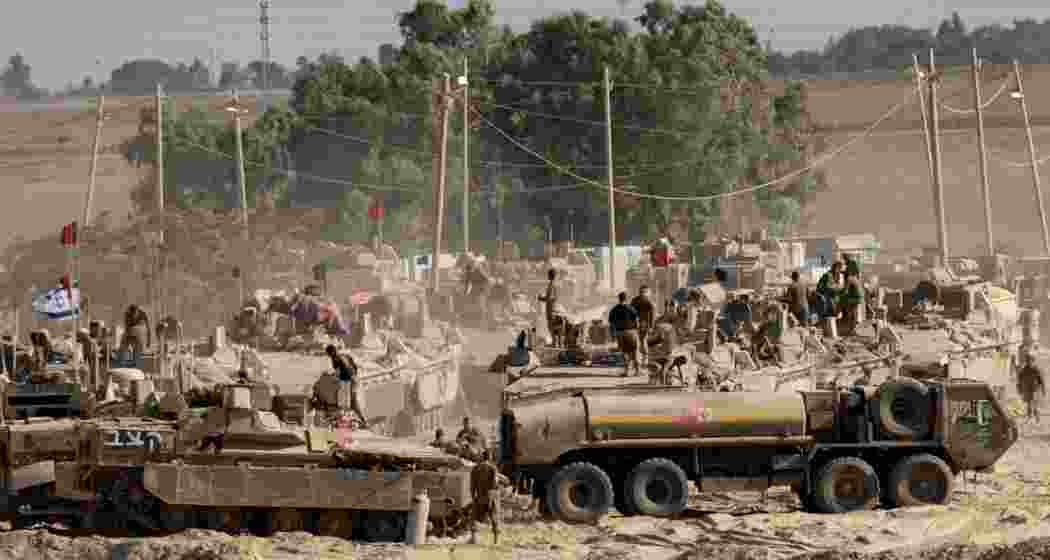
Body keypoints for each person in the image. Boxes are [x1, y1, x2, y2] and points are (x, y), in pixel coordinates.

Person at [325, 344, 368, 428]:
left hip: (349, 382)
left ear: (331, 352)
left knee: (349, 402)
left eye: (329, 354)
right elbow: (354, 367)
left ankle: (361, 421)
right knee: (351, 402)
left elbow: (339, 373)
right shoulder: (345, 355)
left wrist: (332, 377)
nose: (329, 356)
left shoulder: (336, 359)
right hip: (354, 380)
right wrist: (352, 376)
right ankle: (361, 420)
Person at [469, 449, 502, 545]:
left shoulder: (475, 468)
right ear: (490, 457)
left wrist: (473, 496)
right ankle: (496, 541)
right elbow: (495, 483)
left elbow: (472, 485)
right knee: (494, 517)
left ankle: (474, 539)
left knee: (474, 517)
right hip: (491, 497)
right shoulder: (493, 468)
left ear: (482, 457)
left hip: (479, 496)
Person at [609, 292, 641, 376]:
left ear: (619, 298)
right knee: (634, 351)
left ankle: (626, 371)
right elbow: (637, 320)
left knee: (624, 352)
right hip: (631, 332)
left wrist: (613, 336)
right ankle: (637, 371)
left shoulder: (614, 309)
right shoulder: (630, 308)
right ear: (626, 299)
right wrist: (637, 330)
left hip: (619, 333)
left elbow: (611, 324)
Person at [1017, 351, 1046, 423]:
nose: (1029, 362)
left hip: (1035, 389)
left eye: (1030, 360)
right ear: (1026, 361)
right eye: (1028, 361)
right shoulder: (1024, 370)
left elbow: (1041, 380)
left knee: (1034, 403)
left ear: (1033, 361)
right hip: (1027, 389)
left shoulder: (1036, 369)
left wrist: (1043, 389)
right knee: (1029, 403)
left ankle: (1036, 417)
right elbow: (1019, 380)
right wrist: (1019, 389)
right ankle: (1030, 416)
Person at [631, 286, 656, 365]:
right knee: (639, 342)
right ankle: (641, 360)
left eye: (644, 292)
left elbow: (652, 315)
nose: (643, 294)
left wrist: (651, 326)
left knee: (642, 341)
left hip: (643, 325)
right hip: (637, 324)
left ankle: (644, 359)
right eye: (642, 292)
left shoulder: (648, 302)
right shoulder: (636, 301)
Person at [839, 260, 866, 336]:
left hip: (855, 299)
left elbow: (845, 291)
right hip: (858, 299)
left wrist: (839, 294)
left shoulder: (849, 278)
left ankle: (850, 328)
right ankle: (852, 328)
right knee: (853, 313)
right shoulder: (855, 278)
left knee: (843, 305)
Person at [538, 269, 562, 347]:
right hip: (553, 308)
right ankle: (557, 343)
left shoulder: (551, 285)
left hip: (551, 309)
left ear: (549, 275)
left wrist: (541, 298)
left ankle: (554, 343)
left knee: (551, 326)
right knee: (554, 326)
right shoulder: (555, 284)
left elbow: (549, 298)